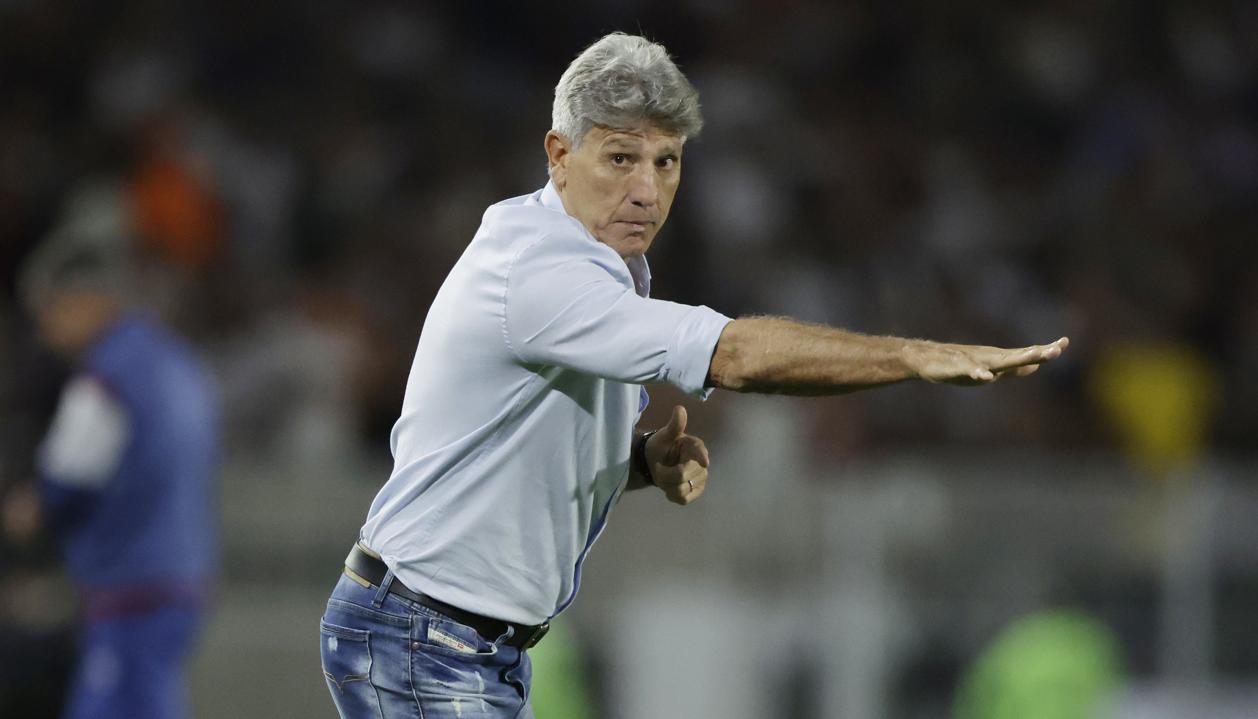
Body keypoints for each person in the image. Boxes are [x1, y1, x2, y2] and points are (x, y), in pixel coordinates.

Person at [319, 33, 1068, 719]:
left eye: (666, 160)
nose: (647, 188)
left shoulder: (592, 259)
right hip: (425, 635)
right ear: (558, 154)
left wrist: (639, 463)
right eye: (620, 158)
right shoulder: (540, 270)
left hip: (449, 636)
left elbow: (511, 439)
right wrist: (910, 357)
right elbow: (734, 355)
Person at [16, 188, 220, 719]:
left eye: (49, 313)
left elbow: (66, 479)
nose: (46, 332)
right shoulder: (173, 359)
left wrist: (30, 509)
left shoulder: (107, 375)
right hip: (182, 575)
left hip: (133, 587)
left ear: (85, 301)